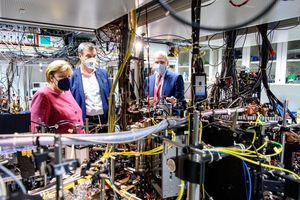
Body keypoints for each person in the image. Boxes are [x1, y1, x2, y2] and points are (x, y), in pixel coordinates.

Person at [31, 60, 84, 133]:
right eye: (62, 76)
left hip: (78, 141)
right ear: (51, 77)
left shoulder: (66, 92)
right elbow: (37, 130)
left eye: (68, 76)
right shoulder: (43, 95)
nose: (66, 80)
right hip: (60, 142)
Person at [70, 42, 111, 132]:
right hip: (85, 121)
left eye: (94, 56)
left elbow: (110, 97)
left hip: (103, 121)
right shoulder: (73, 76)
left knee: (105, 145)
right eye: (88, 56)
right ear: (80, 56)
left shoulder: (103, 74)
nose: (92, 59)